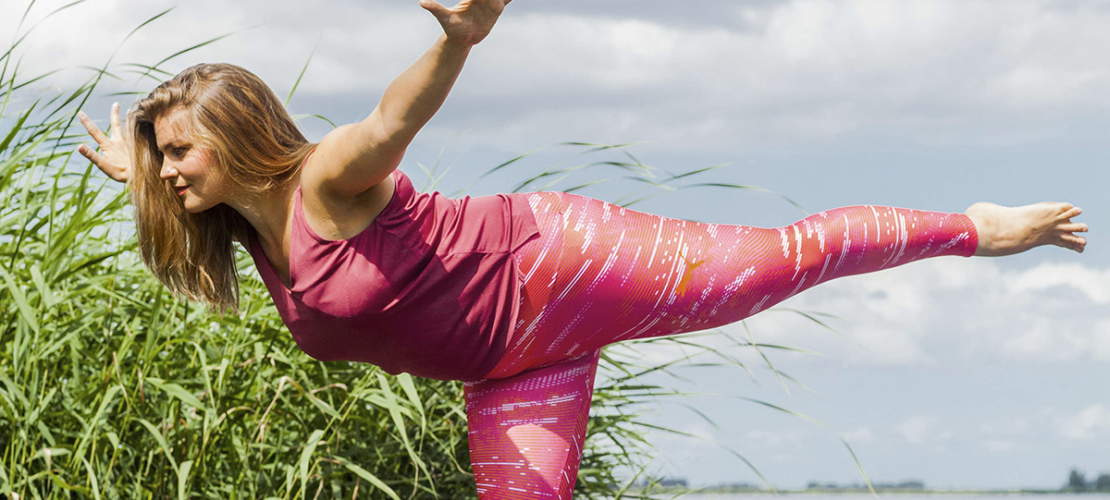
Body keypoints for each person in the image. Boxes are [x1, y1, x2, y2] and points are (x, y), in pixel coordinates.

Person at [75, 0, 1089, 498]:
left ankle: (974, 226)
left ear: (235, 127)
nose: (167, 170)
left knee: (778, 261)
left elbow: (390, 119)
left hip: (560, 262)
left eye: (178, 149)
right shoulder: (243, 235)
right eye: (159, 157)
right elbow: (177, 198)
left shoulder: (327, 179)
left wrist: (459, 41)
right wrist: (141, 179)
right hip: (513, 365)